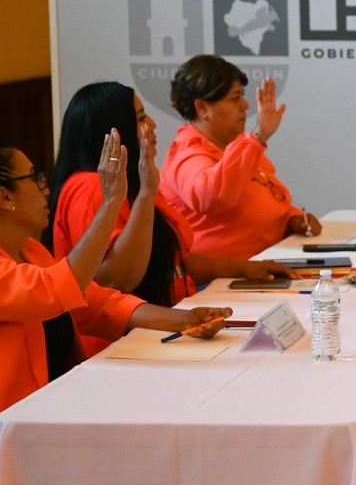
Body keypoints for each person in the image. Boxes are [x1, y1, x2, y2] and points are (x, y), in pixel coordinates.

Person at [0, 137, 231, 485]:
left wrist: (183, 320)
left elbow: (93, 302)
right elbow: (53, 290)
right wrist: (110, 202)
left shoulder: (27, 250)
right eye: (35, 178)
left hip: (40, 413)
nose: (46, 188)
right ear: (3, 197)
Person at [49, 82, 288, 355]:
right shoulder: (90, 187)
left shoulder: (135, 179)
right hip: (122, 346)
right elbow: (119, 279)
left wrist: (243, 268)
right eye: (140, 118)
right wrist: (147, 194)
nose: (152, 124)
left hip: (168, 325)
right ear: (112, 132)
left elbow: (174, 261)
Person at [159, 55, 321, 259]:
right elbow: (211, 197)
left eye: (242, 96)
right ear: (202, 108)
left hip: (264, 262)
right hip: (222, 274)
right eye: (235, 98)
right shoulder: (186, 154)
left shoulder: (237, 145)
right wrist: (258, 137)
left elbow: (260, 201)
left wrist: (292, 219)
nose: (245, 105)